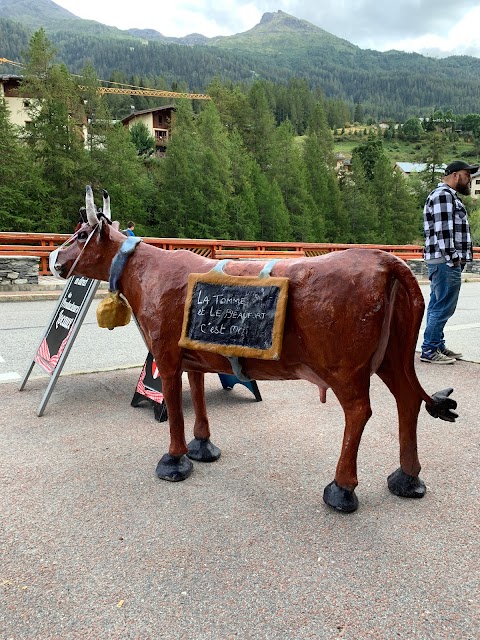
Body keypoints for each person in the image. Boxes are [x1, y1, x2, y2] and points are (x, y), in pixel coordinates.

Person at [420, 160, 479, 364]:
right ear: (455, 175)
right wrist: (454, 259)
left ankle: (436, 344)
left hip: (444, 261)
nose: (469, 179)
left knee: (439, 304)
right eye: (467, 175)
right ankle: (429, 349)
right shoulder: (444, 196)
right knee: (444, 306)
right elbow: (444, 231)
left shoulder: (446, 196)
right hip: (446, 261)